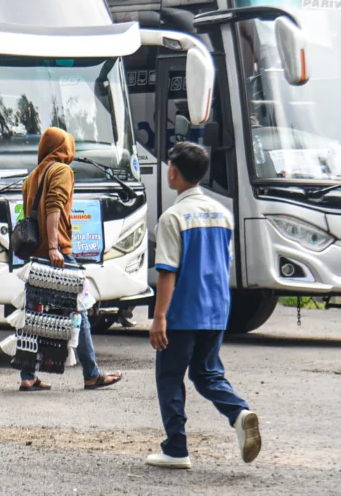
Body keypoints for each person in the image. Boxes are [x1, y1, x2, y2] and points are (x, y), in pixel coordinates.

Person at [146, 142, 261, 469]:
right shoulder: (223, 215)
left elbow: (167, 272)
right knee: (206, 373)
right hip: (216, 310)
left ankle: (176, 448)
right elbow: (222, 263)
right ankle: (239, 413)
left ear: (172, 172)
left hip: (182, 312)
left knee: (170, 377)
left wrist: (159, 317)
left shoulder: (172, 218)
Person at [17, 127, 123, 392]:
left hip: (35, 255)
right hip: (58, 254)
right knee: (80, 310)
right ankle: (91, 374)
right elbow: (53, 207)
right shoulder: (62, 171)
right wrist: (54, 247)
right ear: (64, 148)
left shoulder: (32, 176)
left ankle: (27, 375)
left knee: (33, 316)